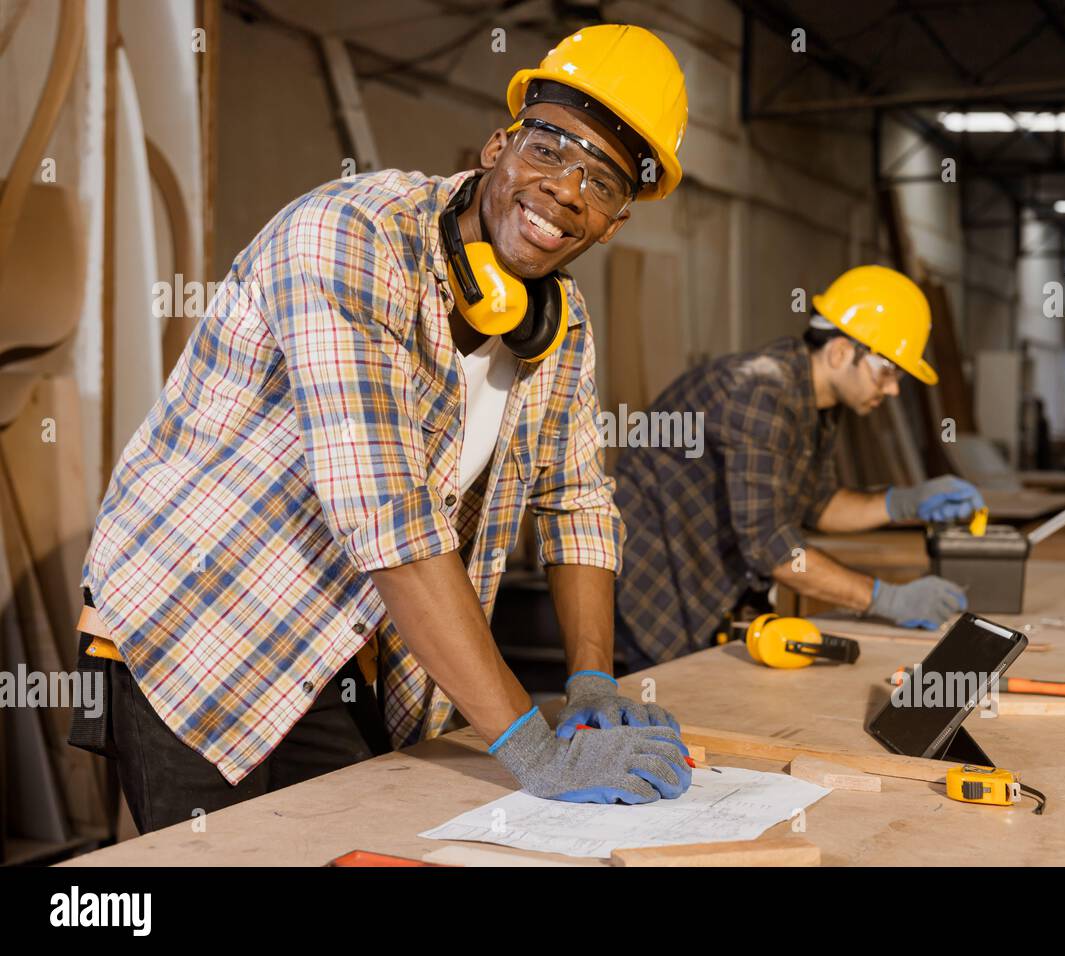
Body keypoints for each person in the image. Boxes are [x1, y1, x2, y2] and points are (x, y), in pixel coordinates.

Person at [70, 25, 693, 833]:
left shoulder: (560, 323)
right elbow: (387, 514)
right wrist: (538, 754)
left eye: (603, 182)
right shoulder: (350, 239)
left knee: (368, 845)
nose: (568, 190)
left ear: (613, 223)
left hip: (340, 649)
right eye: (551, 149)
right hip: (195, 633)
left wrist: (592, 685)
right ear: (498, 145)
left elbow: (577, 504)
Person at [613, 265, 983, 669]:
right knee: (668, 713)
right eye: (888, 371)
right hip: (659, 582)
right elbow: (770, 546)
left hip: (711, 576)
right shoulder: (760, 392)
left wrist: (903, 503)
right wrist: (888, 598)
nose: (893, 389)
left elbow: (818, 504)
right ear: (842, 352)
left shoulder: (816, 403)